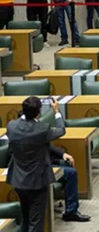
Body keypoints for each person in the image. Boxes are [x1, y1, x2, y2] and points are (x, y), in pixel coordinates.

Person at [7, 96, 69, 232]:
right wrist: (56, 111)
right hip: (37, 181)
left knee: (26, 216)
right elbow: (61, 130)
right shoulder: (43, 129)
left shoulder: (11, 126)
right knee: (36, 220)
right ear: (39, 112)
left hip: (18, 180)